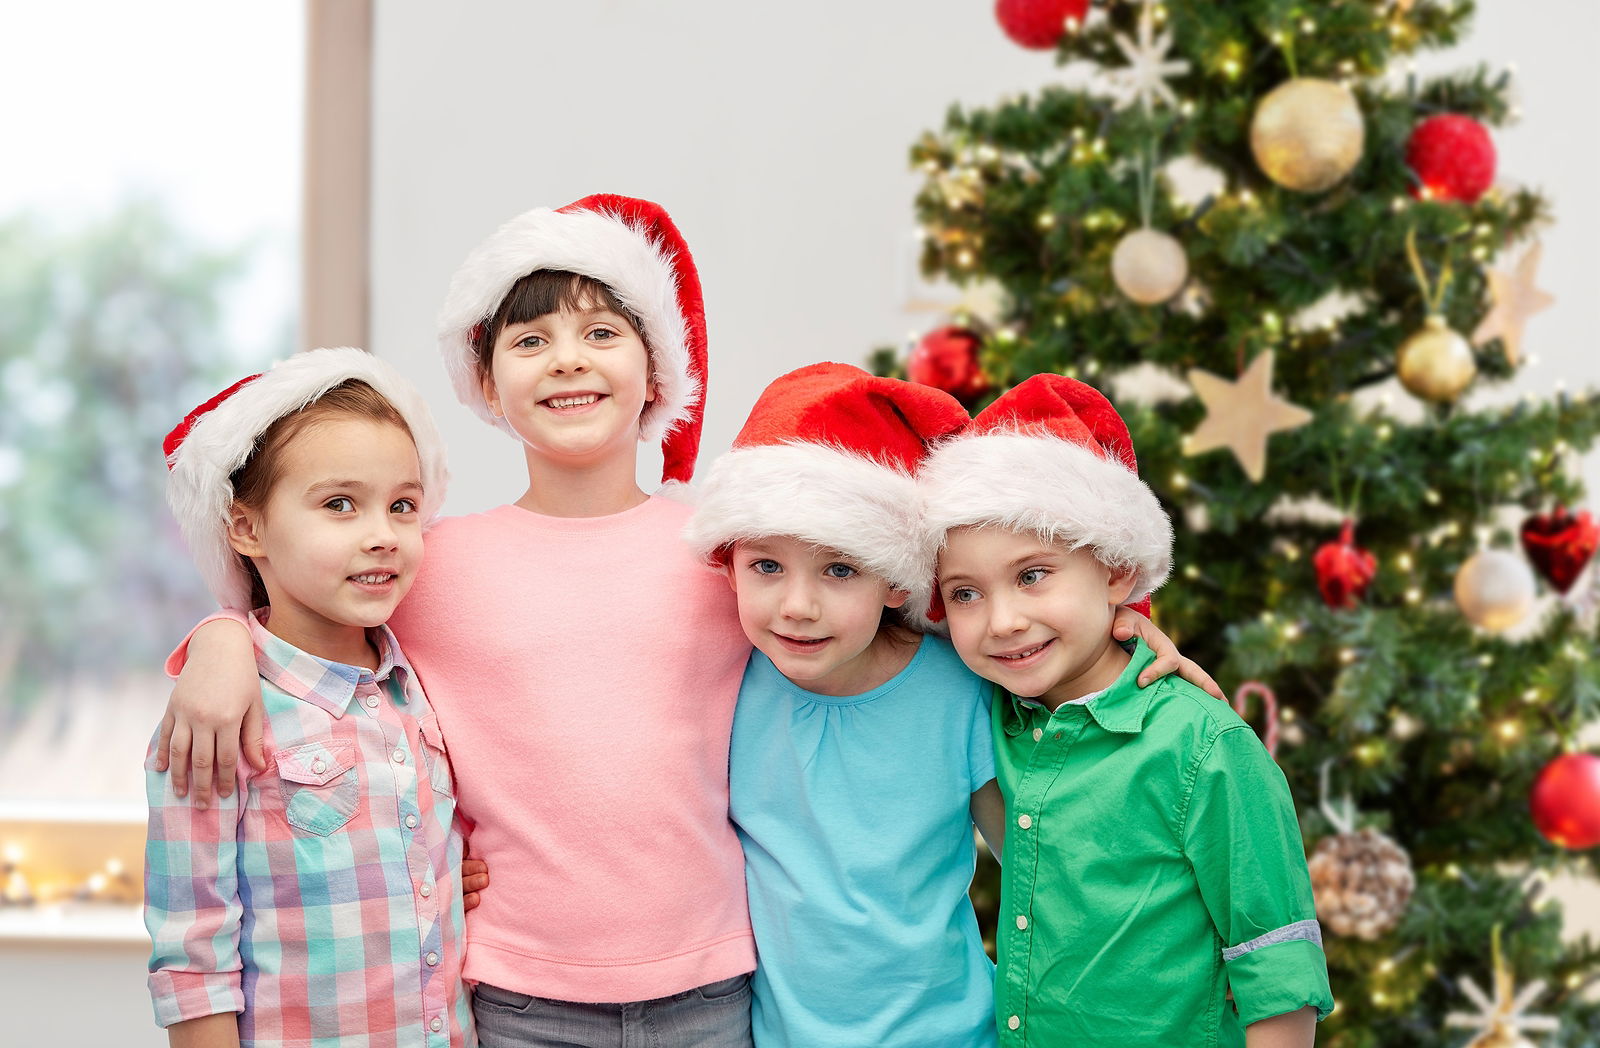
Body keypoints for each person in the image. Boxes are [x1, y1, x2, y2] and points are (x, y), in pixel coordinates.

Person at [153, 196, 1218, 1048]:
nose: (568, 359)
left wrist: (1124, 636)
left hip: (717, 984)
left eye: (601, 331)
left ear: (655, 368)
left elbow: (934, 598)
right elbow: (319, 645)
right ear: (484, 378)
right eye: (530, 337)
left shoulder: (728, 551)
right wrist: (218, 641)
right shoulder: (434, 563)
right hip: (516, 987)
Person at [918, 373, 1335, 1047]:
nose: (1002, 621)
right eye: (964, 593)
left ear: (1116, 570)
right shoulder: (987, 710)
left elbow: (1276, 963)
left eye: (1032, 575)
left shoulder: (1203, 746)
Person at [145, 347, 475, 1047]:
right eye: (339, 504)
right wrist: (220, 638)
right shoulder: (218, 714)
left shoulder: (417, 681)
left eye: (403, 505)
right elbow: (194, 950)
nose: (382, 535)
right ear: (246, 528)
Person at [683, 362, 1005, 1047]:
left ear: (895, 579)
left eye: (839, 569)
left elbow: (1038, 868)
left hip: (951, 1035)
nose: (798, 607)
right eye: (766, 567)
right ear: (729, 562)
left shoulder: (959, 691)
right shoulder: (727, 678)